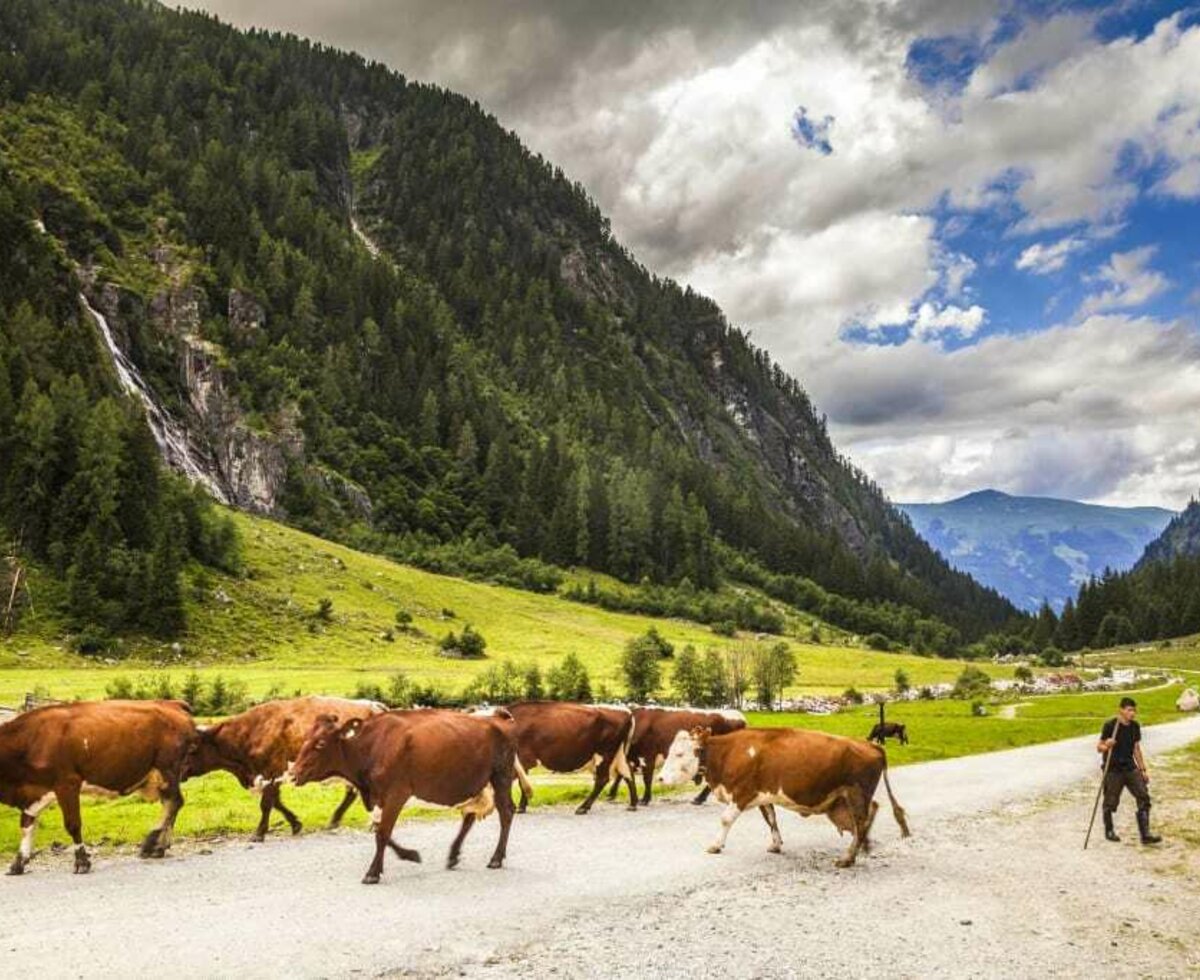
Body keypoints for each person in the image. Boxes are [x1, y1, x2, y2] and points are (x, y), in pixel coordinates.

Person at [1096, 696, 1161, 845]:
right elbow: (1099, 748)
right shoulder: (1110, 726)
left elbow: (1136, 749)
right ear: (1121, 710)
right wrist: (1107, 745)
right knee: (1110, 802)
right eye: (1129, 710)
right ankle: (1109, 830)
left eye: (1134, 710)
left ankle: (1145, 834)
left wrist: (1143, 769)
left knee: (1143, 796)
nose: (1132, 713)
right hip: (1113, 769)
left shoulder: (1134, 726)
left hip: (1130, 768)